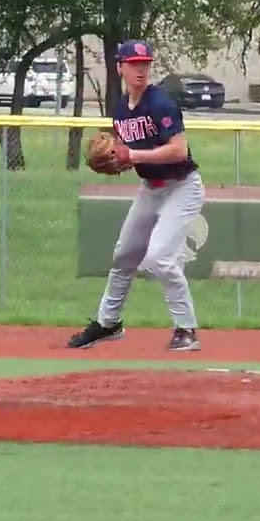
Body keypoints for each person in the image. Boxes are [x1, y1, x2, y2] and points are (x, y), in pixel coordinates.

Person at [67, 40, 205, 352]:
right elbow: (132, 155)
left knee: (160, 258)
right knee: (124, 255)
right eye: (134, 63)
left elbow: (178, 150)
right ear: (120, 67)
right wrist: (118, 161)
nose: (140, 69)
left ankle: (186, 329)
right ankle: (108, 323)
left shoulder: (160, 104)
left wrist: (133, 156)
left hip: (182, 187)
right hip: (151, 190)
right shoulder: (119, 111)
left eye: (145, 63)